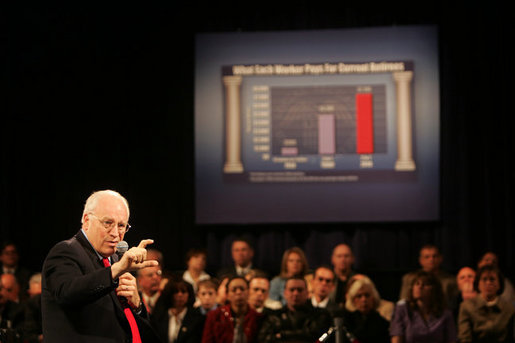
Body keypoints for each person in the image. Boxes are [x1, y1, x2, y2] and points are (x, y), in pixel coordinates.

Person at [41, 189, 160, 342]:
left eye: (122, 225)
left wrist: (137, 306)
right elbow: (67, 293)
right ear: (86, 220)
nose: (116, 233)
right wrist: (115, 271)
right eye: (108, 223)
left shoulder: (117, 261)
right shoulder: (66, 251)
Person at [258, 276, 332, 343]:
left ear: (307, 293)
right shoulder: (274, 316)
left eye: (300, 290)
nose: (296, 293)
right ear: (285, 293)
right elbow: (264, 339)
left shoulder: (320, 315)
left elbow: (320, 336)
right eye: (292, 290)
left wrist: (282, 335)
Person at [390, 270, 457, 343]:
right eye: (417, 284)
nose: (420, 287)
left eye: (425, 284)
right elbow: (396, 338)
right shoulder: (403, 309)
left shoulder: (445, 313)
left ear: (434, 289)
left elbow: (451, 340)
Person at [458, 264, 515, 343]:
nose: (488, 283)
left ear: (499, 284)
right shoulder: (467, 307)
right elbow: (465, 338)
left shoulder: (509, 309)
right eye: (484, 279)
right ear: (478, 284)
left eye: (492, 279)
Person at [202, 276, 262, 343]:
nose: (238, 292)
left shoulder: (257, 317)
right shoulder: (215, 316)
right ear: (227, 295)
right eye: (234, 290)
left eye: (242, 289)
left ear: (248, 292)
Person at [338, 277, 389, 343]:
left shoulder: (382, 323)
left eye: (367, 295)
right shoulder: (345, 322)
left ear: (373, 298)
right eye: (359, 296)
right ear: (353, 300)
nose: (364, 299)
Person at [23, 273, 43, 343]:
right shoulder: (29, 306)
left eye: (40, 296)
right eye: (34, 296)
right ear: (29, 293)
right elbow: (28, 335)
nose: (37, 300)